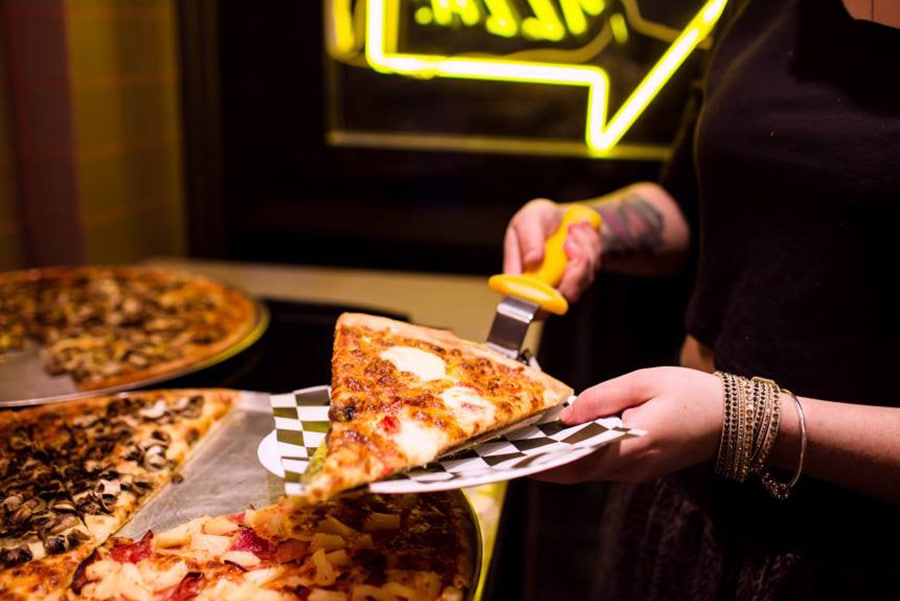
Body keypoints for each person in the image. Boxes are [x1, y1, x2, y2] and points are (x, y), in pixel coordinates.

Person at [501, 0, 900, 599]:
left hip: (855, 557)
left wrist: (743, 419)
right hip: (680, 496)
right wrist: (588, 228)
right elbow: (691, 206)